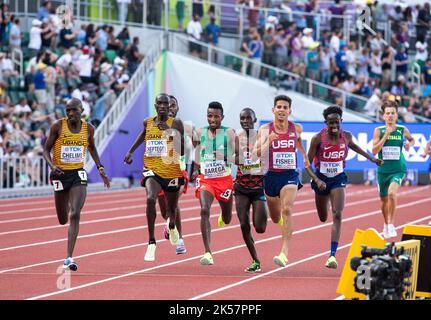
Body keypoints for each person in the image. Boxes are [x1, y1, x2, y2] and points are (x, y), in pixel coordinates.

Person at [306, 105, 383, 269]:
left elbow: (355, 147)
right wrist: (316, 180)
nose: (334, 126)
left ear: (341, 121)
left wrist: (372, 159)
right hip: (321, 179)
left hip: (338, 179)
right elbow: (307, 164)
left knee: (338, 214)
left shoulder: (346, 136)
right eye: (330, 123)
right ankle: (325, 199)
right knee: (322, 217)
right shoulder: (317, 138)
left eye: (337, 123)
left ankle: (332, 255)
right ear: (326, 123)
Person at [43, 98, 110, 271]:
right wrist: (53, 166)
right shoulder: (57, 126)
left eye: (74, 110)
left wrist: (100, 168)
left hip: (78, 173)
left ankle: (68, 257)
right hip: (60, 174)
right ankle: (65, 204)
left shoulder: (89, 128)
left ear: (82, 110)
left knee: (75, 214)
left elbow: (92, 148)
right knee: (62, 219)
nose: (71, 113)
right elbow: (45, 150)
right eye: (68, 110)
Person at [124, 94, 185, 261]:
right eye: (160, 103)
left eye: (166, 103)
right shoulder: (148, 122)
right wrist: (131, 151)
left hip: (171, 172)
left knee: (170, 211)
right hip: (152, 170)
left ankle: (172, 225)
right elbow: (143, 135)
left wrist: (168, 131)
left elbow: (183, 149)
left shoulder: (176, 123)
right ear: (155, 105)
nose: (163, 106)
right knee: (150, 198)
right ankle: (151, 242)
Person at [253, 95, 309, 267]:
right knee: (276, 216)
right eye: (279, 107)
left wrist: (304, 156)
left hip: (289, 175)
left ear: (289, 111)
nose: (282, 110)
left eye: (285, 107)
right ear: (273, 110)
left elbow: (298, 142)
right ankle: (281, 223)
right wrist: (268, 142)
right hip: (270, 176)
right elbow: (255, 153)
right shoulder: (264, 129)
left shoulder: (297, 128)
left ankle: (284, 253)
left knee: (287, 209)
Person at [192, 101, 236, 265]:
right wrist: (196, 169)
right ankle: (208, 252)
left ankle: (223, 216)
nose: (213, 119)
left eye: (216, 116)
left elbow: (238, 158)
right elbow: (197, 152)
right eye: (210, 116)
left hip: (224, 181)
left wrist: (224, 157)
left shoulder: (230, 133)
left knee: (227, 218)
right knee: (204, 209)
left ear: (222, 117)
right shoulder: (199, 132)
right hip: (206, 180)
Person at [372, 100, 415, 239]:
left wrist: (409, 144)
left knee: (392, 194)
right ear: (383, 116)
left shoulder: (402, 129)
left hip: (398, 169)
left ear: (396, 115)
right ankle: (386, 224)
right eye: (387, 113)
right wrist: (386, 135)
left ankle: (391, 224)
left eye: (393, 113)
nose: (390, 116)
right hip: (383, 171)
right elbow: (374, 150)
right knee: (384, 200)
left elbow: (411, 139)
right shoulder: (378, 130)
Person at [235, 108, 268, 272]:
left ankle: (266, 209)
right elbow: (231, 157)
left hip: (258, 187)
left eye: (248, 118)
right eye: (242, 118)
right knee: (243, 224)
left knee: (260, 228)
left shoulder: (262, 137)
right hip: (241, 187)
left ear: (255, 120)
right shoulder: (236, 138)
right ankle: (255, 260)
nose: (245, 121)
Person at [157, 95, 190, 254]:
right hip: (159, 172)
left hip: (178, 170)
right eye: (167, 105)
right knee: (165, 211)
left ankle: (180, 241)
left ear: (178, 108)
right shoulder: (154, 125)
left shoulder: (181, 125)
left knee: (174, 204)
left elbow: (185, 149)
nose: (170, 108)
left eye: (173, 106)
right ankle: (169, 222)